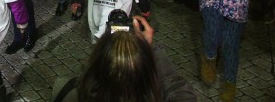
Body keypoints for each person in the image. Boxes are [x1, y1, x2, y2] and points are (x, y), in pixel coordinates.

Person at [51, 15, 196, 101]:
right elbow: (177, 89)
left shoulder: (65, 91)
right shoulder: (157, 93)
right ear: (146, 73)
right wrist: (149, 50)